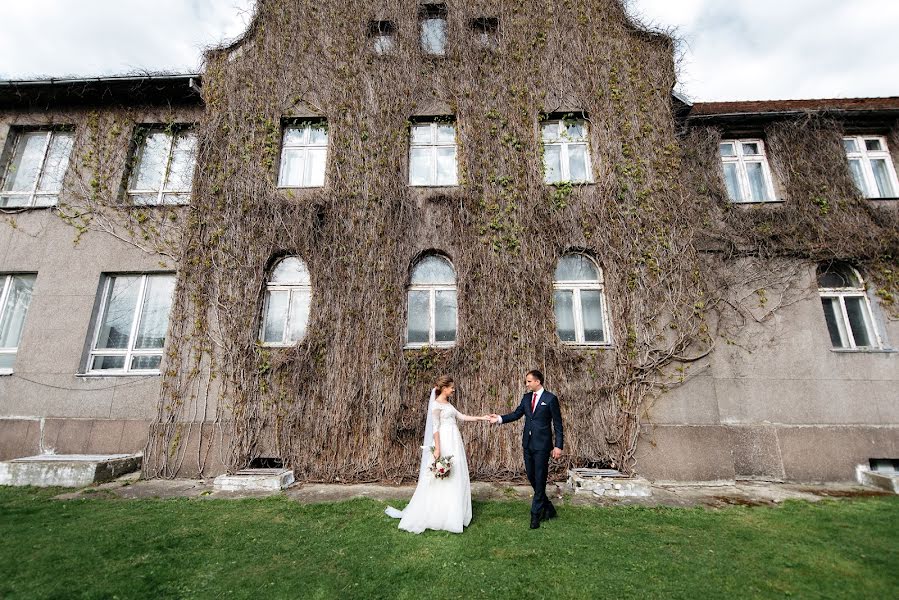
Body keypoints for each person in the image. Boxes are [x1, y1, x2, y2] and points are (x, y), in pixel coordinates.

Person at [386, 375, 490, 533]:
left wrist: (482, 418)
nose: (453, 390)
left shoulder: (448, 404)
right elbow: (435, 428)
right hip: (445, 441)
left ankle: (454, 511)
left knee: (456, 472)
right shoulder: (435, 405)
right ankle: (438, 513)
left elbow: (461, 416)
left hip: (455, 440)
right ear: (444, 388)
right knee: (443, 475)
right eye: (451, 387)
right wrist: (437, 449)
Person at [488, 369, 564, 529]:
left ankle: (535, 515)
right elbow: (516, 414)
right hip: (527, 444)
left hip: (543, 446)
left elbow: (557, 424)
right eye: (526, 381)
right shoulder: (526, 398)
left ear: (538, 381)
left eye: (529, 381)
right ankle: (548, 507)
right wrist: (499, 418)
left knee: (540, 477)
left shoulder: (550, 399)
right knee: (531, 476)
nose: (527, 383)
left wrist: (558, 446)